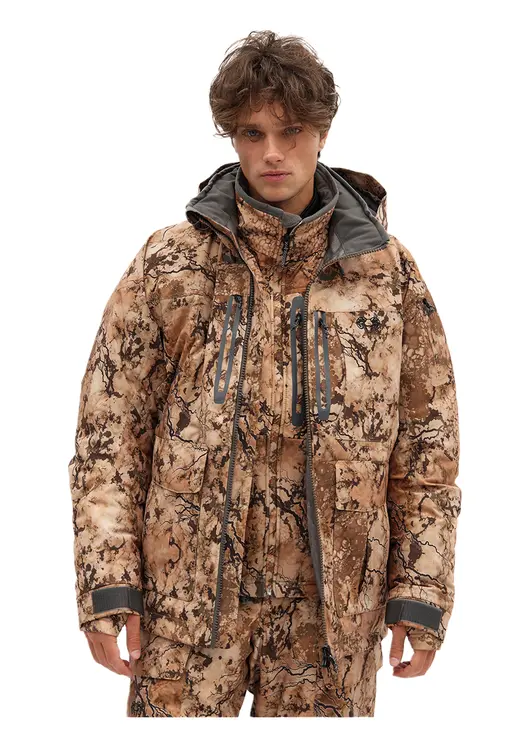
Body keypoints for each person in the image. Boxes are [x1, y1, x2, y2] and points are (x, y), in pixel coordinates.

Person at [68, 30, 462, 717]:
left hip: (331, 625)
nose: (272, 152)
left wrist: (420, 592)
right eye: (252, 133)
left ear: (322, 132)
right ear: (232, 136)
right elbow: (111, 436)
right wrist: (108, 583)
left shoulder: (385, 274)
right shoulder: (172, 264)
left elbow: (427, 448)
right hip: (186, 614)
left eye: (291, 131)